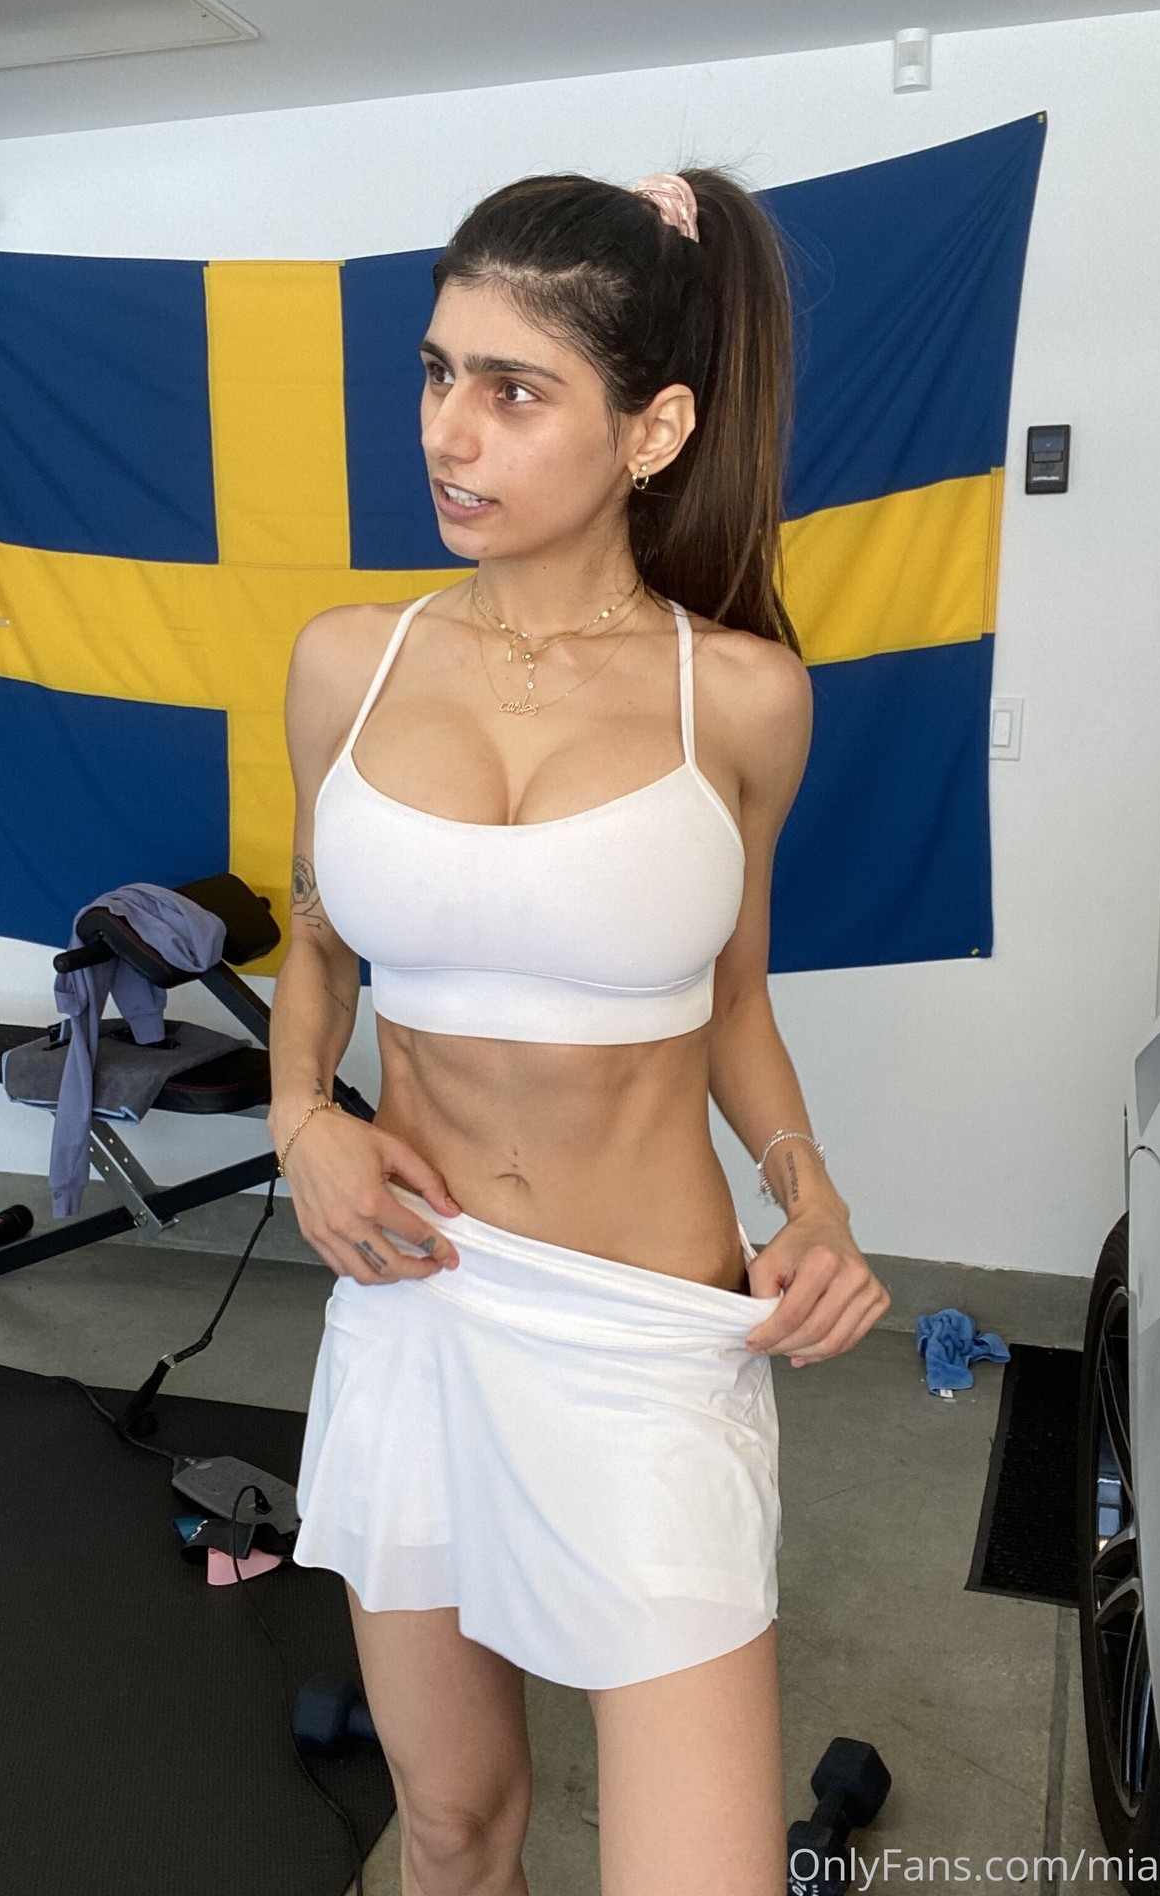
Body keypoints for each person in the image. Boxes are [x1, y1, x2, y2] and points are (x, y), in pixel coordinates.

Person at [269, 163, 891, 1896]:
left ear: (653, 428)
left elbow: (735, 1005)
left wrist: (812, 1197)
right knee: (454, 1829)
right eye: (435, 372)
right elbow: (317, 938)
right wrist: (302, 1121)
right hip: (415, 1304)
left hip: (644, 1345)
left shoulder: (741, 695)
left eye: (514, 389)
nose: (447, 431)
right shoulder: (345, 663)